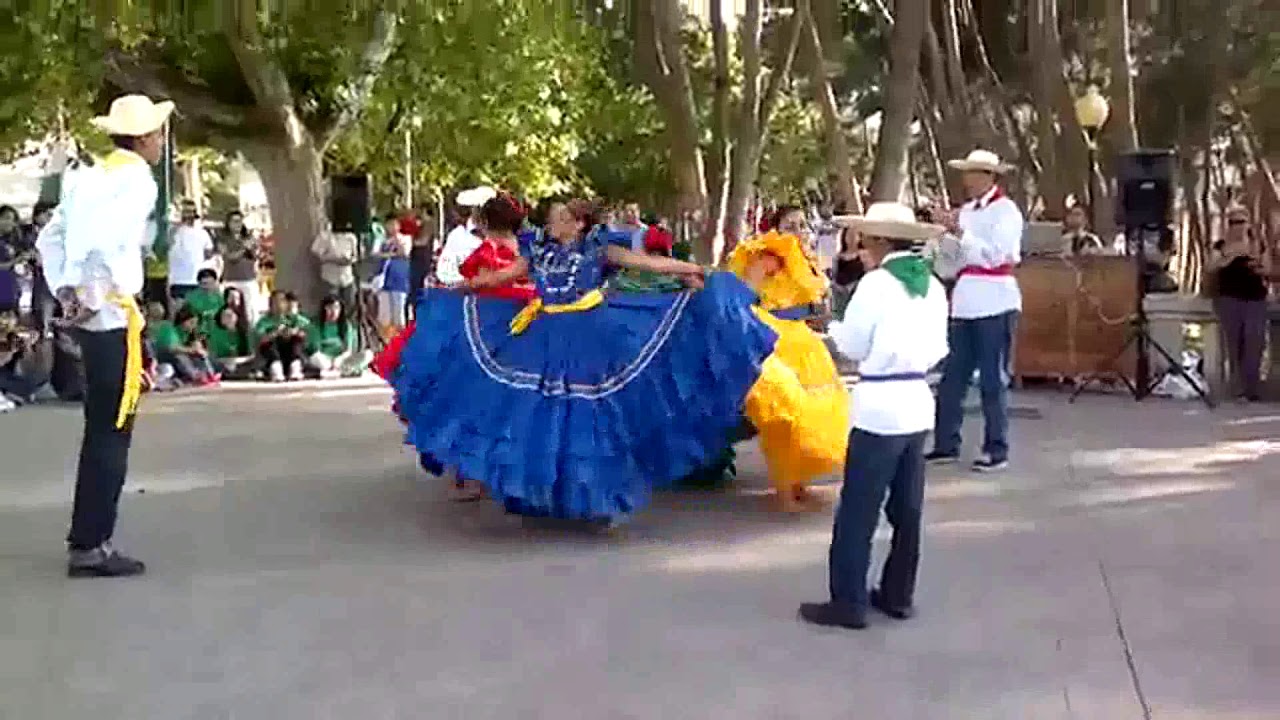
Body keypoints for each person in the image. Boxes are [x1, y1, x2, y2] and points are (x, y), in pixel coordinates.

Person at [390, 197, 779, 525]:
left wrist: (694, 269)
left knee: (589, 418)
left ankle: (594, 496)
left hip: (592, 335)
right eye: (551, 217)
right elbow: (501, 277)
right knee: (540, 418)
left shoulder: (599, 248)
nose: (551, 223)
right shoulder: (538, 250)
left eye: (560, 218)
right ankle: (544, 494)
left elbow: (647, 264)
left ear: (578, 224)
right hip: (542, 336)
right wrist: (461, 288)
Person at [36, 93, 175, 577]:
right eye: (157, 133)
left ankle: (88, 535)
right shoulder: (136, 180)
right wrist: (94, 296)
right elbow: (102, 243)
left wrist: (68, 292)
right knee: (113, 430)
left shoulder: (85, 176)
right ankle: (92, 544)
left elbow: (49, 238)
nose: (161, 141)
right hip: (112, 316)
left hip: (95, 313)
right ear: (142, 138)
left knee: (101, 427)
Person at [799, 202, 949, 630]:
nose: (860, 247)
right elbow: (940, 347)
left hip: (879, 407)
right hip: (918, 401)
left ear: (882, 241)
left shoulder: (877, 285)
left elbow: (854, 346)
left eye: (865, 239)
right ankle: (898, 594)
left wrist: (831, 330)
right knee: (907, 509)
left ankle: (847, 602)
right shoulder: (933, 285)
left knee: (859, 510)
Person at [726, 228, 849, 511]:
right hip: (778, 342)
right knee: (784, 417)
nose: (800, 226)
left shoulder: (800, 260)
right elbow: (744, 297)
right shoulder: (763, 257)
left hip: (802, 342)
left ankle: (797, 484)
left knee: (810, 414)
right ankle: (785, 493)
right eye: (791, 221)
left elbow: (811, 299)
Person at [926, 150, 1024, 473]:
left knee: (993, 379)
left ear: (990, 177)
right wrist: (943, 238)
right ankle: (945, 443)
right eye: (967, 174)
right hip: (965, 301)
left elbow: (997, 255)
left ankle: (997, 448)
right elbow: (950, 264)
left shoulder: (1006, 211)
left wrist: (962, 233)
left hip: (996, 299)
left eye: (976, 174)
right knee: (953, 376)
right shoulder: (965, 212)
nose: (969, 181)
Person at [1209, 205, 1270, 402]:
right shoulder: (1220, 246)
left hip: (1255, 299)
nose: (1237, 226)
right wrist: (1232, 255)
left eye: (1241, 222)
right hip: (1229, 299)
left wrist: (1257, 264)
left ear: (1248, 223)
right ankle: (1237, 388)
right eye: (1233, 222)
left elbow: (1267, 269)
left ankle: (1252, 388)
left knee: (1255, 341)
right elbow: (1211, 266)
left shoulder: (1257, 244)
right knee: (1233, 344)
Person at [150, 304, 219, 385]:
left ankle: (210, 374)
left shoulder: (190, 333)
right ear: (183, 320)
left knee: (202, 355)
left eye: (195, 323)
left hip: (176, 360)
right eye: (191, 322)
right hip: (162, 356)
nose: (193, 326)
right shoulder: (169, 328)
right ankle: (196, 375)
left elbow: (197, 347)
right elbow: (172, 348)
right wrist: (192, 350)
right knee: (180, 356)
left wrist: (198, 349)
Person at [308, 294, 371, 378]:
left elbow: (348, 350)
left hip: (341, 361)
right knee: (316, 358)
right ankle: (346, 372)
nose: (333, 311)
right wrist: (330, 361)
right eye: (330, 308)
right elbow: (316, 349)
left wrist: (338, 359)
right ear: (324, 309)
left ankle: (337, 373)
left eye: (336, 308)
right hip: (325, 360)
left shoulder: (346, 325)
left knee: (368, 354)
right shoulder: (316, 325)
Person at [255, 290, 310, 382]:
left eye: (281, 301)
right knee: (270, 344)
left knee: (296, 340)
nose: (278, 304)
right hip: (273, 353)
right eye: (275, 302)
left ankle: (295, 368)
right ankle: (276, 370)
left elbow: (306, 329)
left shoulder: (293, 318)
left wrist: (294, 332)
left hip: (290, 351)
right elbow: (261, 339)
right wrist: (276, 333)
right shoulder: (264, 321)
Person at [216, 210, 260, 323]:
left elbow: (256, 256)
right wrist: (244, 247)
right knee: (231, 311)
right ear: (228, 223)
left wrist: (253, 248)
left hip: (249, 279)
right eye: (235, 221)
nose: (238, 224)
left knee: (251, 314)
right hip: (231, 280)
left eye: (240, 221)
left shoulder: (248, 237)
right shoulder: (222, 238)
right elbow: (230, 257)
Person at [167, 199, 215, 301]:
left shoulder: (202, 232)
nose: (188, 215)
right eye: (185, 211)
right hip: (178, 280)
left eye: (191, 211)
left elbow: (209, 253)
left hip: (197, 280)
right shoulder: (172, 231)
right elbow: (167, 245)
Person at [310, 222, 359, 312]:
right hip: (330, 279)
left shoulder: (351, 237)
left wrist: (350, 260)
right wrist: (334, 260)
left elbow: (355, 256)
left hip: (347, 278)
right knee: (330, 306)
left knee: (350, 304)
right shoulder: (325, 236)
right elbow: (317, 256)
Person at [376, 220, 412, 336]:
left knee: (399, 314)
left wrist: (396, 242)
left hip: (399, 281)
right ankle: (386, 341)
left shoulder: (405, 239)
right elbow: (377, 254)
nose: (390, 227)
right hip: (384, 281)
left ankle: (401, 341)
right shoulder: (383, 241)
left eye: (393, 224)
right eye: (388, 224)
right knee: (384, 315)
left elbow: (404, 252)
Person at [206, 304, 256, 379]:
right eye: (224, 315)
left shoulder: (243, 332)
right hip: (220, 361)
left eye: (230, 315)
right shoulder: (214, 330)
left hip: (240, 361)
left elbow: (249, 352)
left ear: (236, 317)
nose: (227, 318)